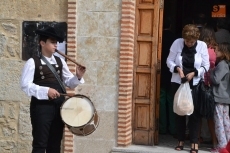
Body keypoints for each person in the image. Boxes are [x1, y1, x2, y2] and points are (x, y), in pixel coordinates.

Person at [20, 26, 86, 153]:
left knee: (55, 145)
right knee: (40, 144)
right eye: (52, 42)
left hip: (59, 107)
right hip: (41, 108)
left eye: (56, 42)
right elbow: (25, 85)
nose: (55, 45)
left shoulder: (61, 61)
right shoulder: (33, 62)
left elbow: (69, 83)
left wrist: (78, 76)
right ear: (42, 43)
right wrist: (46, 91)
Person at [167, 24, 210, 153]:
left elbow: (206, 65)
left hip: (195, 83)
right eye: (187, 41)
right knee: (179, 112)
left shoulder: (202, 45)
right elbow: (169, 61)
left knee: (194, 114)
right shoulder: (177, 43)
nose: (189, 44)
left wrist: (194, 73)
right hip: (178, 82)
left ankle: (194, 143)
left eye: (192, 42)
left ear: (196, 39)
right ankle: (180, 140)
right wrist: (177, 69)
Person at [198, 25, 218, 151]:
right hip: (211, 84)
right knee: (210, 115)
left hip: (201, 83)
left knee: (198, 114)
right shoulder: (214, 49)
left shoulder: (202, 49)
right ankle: (214, 141)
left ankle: (197, 139)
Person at [210, 42, 230, 151]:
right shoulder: (227, 64)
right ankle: (227, 145)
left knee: (219, 122)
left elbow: (216, 79)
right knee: (226, 122)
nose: (215, 52)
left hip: (219, 96)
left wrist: (212, 71)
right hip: (225, 97)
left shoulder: (222, 64)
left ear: (223, 52)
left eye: (217, 50)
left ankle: (222, 146)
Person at [159, 16, 177, 135]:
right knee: (172, 100)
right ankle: (173, 128)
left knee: (161, 100)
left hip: (160, 72)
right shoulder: (175, 38)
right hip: (172, 73)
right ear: (170, 25)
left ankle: (162, 127)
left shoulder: (158, 36)